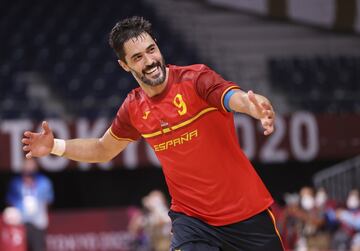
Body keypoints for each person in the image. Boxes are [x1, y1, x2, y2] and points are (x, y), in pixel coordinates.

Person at [21, 16, 283, 250]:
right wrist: (54, 145)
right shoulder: (134, 108)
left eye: (151, 50)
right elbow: (102, 149)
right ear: (124, 65)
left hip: (247, 213)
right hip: (193, 221)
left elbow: (234, 97)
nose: (149, 61)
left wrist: (254, 106)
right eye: (137, 57)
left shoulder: (195, 79)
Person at [6, 158, 54, 251]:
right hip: (20, 223)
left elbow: (48, 201)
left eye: (31, 165)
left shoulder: (44, 182)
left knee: (38, 248)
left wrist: (44, 217)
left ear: (36, 167)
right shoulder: (16, 183)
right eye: (26, 165)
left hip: (38, 223)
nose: (28, 168)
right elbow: (10, 201)